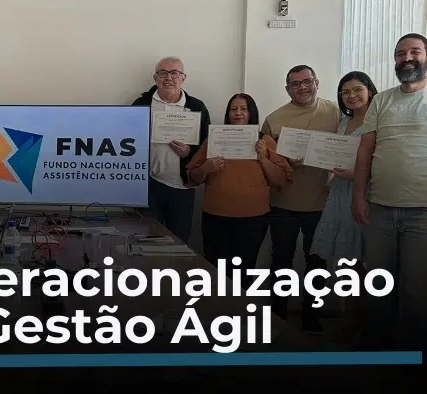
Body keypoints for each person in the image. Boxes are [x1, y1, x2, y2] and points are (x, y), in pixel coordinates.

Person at [352, 33, 427, 357]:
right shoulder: (382, 101)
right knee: (378, 285)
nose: (407, 58)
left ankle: (411, 359)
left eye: (415, 52)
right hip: (379, 209)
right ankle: (375, 351)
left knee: (417, 292)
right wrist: (358, 195)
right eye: (401, 53)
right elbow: (366, 149)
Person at [260, 64, 342, 334]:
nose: (302, 87)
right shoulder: (274, 119)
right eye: (295, 84)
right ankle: (278, 314)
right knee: (281, 261)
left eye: (307, 81)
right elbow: (265, 162)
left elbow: (349, 146)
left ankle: (311, 316)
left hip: (321, 202)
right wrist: (284, 162)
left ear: (317, 82)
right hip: (282, 203)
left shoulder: (336, 112)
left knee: (316, 262)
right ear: (287, 89)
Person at [308, 71, 377, 342]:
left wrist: (356, 175)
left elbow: (384, 162)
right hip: (339, 194)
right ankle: (350, 319)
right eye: (345, 92)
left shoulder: (379, 121)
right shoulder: (344, 122)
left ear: (369, 90)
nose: (351, 95)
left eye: (357, 89)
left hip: (365, 194)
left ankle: (366, 323)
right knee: (347, 263)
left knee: (367, 264)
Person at [186, 93, 291, 270]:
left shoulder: (265, 140)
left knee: (244, 271)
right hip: (216, 216)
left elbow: (281, 179)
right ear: (228, 114)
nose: (238, 113)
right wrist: (205, 168)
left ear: (252, 113)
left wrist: (263, 158)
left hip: (254, 218)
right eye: (233, 109)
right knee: (216, 270)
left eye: (243, 109)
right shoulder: (214, 139)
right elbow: (192, 178)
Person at [131, 56, 211, 244]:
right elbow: (126, 140)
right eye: (163, 73)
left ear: (183, 78)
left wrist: (189, 153)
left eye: (174, 73)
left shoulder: (196, 107)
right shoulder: (141, 104)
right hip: (148, 186)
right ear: (155, 78)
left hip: (182, 187)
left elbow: (207, 146)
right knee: (145, 241)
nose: (169, 78)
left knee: (179, 243)